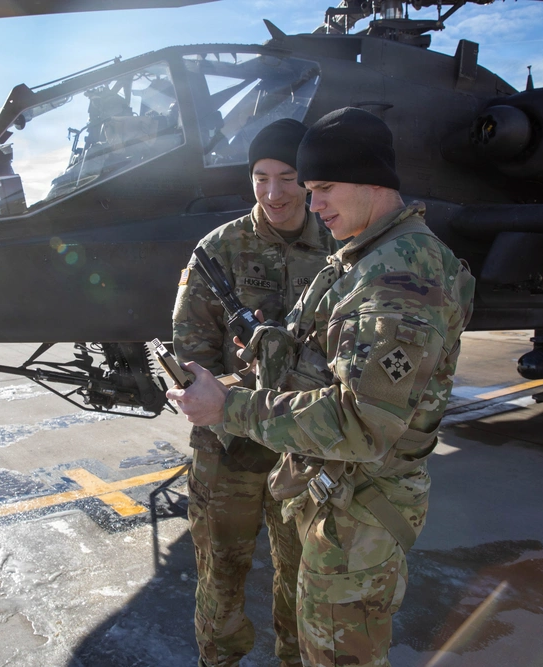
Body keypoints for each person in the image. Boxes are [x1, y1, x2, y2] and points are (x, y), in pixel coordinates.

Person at [168, 107, 476, 667]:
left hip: (353, 495)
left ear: (370, 180)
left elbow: (360, 423)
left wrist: (230, 405)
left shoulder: (397, 277)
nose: (310, 204)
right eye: (305, 188)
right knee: (226, 576)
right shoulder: (362, 255)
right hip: (304, 468)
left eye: (320, 187)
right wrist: (269, 356)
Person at [172, 118, 339, 667]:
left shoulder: (339, 246)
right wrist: (235, 409)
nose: (273, 193)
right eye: (261, 177)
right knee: (220, 579)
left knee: (303, 585)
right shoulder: (219, 249)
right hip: (229, 450)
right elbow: (191, 352)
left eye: (288, 178)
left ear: (309, 180)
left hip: (306, 448)